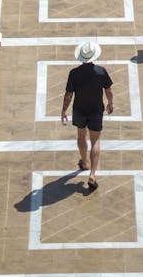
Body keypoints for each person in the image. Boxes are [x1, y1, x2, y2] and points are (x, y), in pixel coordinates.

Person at [61, 39, 113, 191]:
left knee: (81, 136)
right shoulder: (101, 72)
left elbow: (68, 95)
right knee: (95, 141)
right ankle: (92, 175)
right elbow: (108, 90)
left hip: (79, 110)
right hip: (96, 110)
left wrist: (64, 111)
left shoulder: (74, 73)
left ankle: (84, 162)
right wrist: (110, 103)